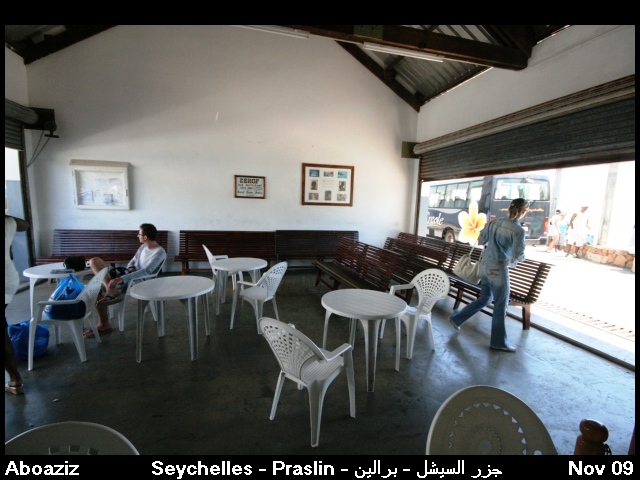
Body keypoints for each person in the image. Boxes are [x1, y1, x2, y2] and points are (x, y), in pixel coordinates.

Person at [448, 198, 528, 352]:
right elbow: (518, 254)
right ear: (524, 212)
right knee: (500, 304)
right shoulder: (518, 230)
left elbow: (481, 239)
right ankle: (498, 342)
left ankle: (457, 319)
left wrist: (486, 229)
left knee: (485, 298)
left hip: (484, 266)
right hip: (498, 269)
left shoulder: (495, 222)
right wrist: (522, 258)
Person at [85, 223, 166, 338]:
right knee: (94, 261)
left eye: (139, 234)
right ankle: (110, 288)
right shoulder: (143, 247)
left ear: (145, 237)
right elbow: (132, 261)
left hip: (138, 281)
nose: (138, 236)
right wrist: (130, 268)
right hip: (127, 274)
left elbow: (147, 271)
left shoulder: (159, 252)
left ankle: (104, 324)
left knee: (96, 289)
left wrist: (121, 278)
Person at [6, 213, 29, 394]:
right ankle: (14, 379)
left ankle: (15, 379)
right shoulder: (9, 222)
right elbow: (25, 225)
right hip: (9, 278)